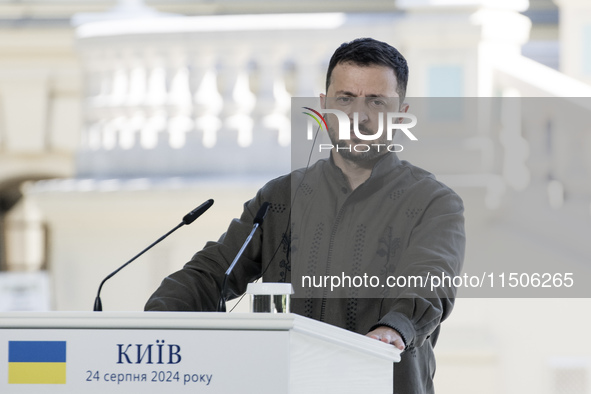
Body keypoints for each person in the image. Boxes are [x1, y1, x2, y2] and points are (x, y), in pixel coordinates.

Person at [145, 37, 466, 394]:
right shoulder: (280, 197)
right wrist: (155, 320)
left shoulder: (433, 202)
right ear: (324, 106)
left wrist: (394, 329)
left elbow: (429, 284)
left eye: (376, 101)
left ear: (401, 114)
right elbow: (212, 272)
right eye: (345, 99)